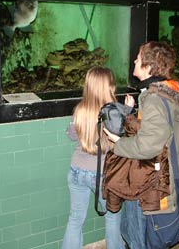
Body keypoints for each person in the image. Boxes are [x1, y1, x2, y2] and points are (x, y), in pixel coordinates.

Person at [104, 41, 179, 249]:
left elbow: (148, 146)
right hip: (161, 176)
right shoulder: (166, 93)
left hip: (152, 182)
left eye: (138, 57)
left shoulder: (153, 98)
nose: (134, 60)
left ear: (148, 66)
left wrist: (117, 143)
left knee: (140, 240)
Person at [62, 66, 128, 249]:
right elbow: (121, 139)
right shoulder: (113, 111)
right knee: (113, 218)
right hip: (101, 174)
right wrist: (127, 110)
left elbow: (72, 135)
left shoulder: (80, 109)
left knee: (75, 219)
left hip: (76, 170)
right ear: (109, 86)